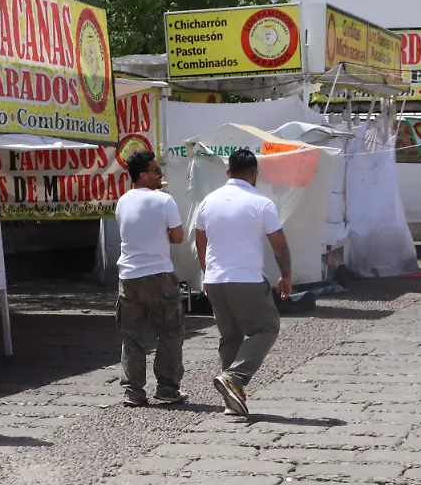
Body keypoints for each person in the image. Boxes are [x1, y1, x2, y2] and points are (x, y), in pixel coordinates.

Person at [194, 149, 293, 416]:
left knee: (231, 336)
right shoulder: (261, 202)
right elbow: (279, 245)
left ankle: (232, 402)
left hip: (215, 279)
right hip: (246, 278)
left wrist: (206, 272)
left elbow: (199, 239)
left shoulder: (208, 201)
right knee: (266, 328)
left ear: (228, 172)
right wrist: (286, 275)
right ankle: (235, 377)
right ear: (253, 174)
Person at [114, 151, 186, 407]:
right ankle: (167, 388)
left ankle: (133, 391)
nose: (160, 174)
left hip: (129, 276)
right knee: (169, 332)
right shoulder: (164, 201)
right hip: (158, 274)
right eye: (156, 170)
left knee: (131, 335)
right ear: (142, 175)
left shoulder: (122, 201)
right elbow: (178, 237)